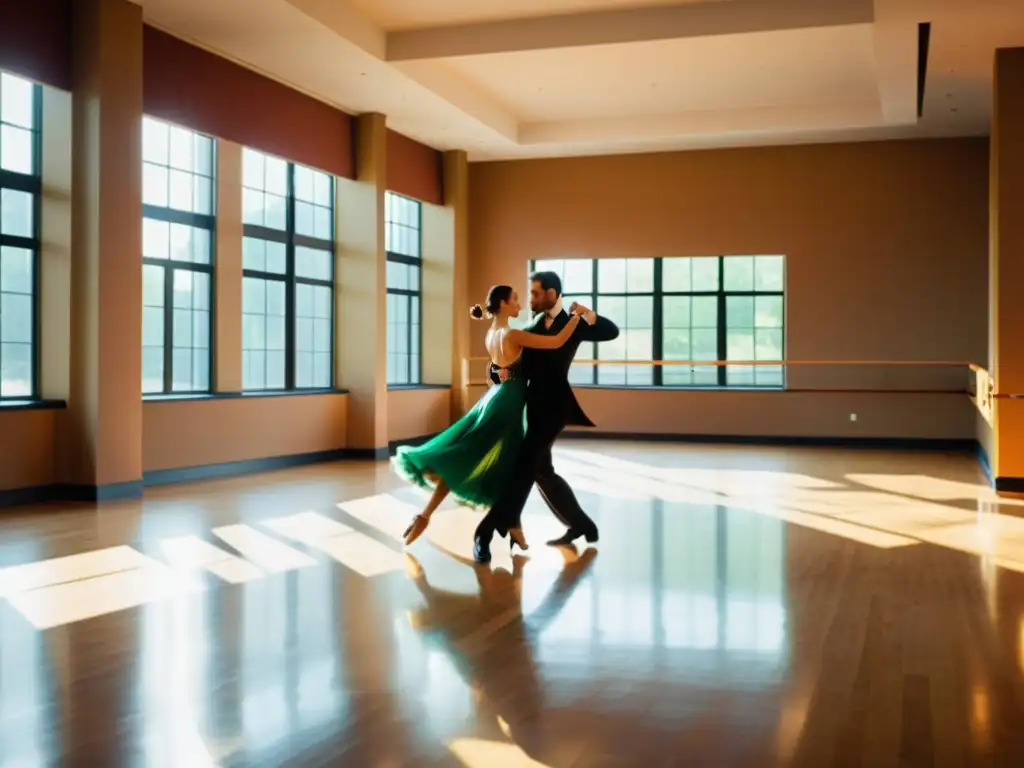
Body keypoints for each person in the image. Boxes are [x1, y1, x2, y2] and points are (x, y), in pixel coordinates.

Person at [393, 284, 585, 550]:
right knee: (501, 466)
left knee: (482, 461)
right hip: (507, 405)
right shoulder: (513, 334)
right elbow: (556, 341)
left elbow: (495, 370)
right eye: (515, 300)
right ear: (504, 304)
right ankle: (499, 523)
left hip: (495, 397)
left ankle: (502, 523)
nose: (520, 304)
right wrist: (577, 317)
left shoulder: (492, 333)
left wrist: (501, 376)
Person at [472, 271, 619, 564]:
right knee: (541, 471)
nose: (530, 299)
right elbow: (510, 361)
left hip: (554, 409)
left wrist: (588, 313)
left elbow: (610, 331)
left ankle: (485, 532)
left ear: (552, 294)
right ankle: (581, 525)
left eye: (536, 294)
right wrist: (495, 373)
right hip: (531, 406)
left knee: (524, 467)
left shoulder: (573, 324)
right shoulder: (535, 324)